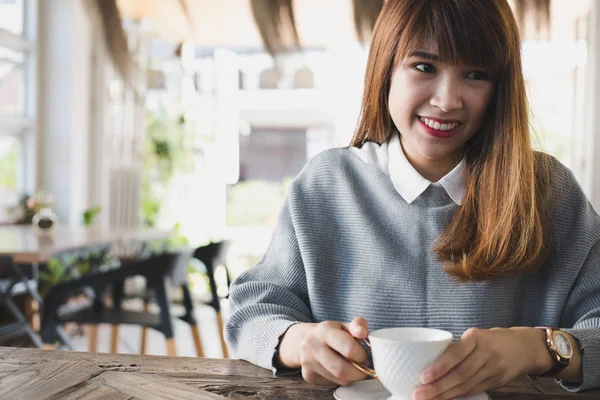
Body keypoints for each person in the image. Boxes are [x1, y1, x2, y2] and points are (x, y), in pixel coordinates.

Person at [225, 0, 600, 398]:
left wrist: (538, 349)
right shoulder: (326, 185)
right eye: (425, 67)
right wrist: (300, 342)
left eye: (476, 75)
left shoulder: (547, 192)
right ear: (385, 67)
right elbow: (252, 310)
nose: (447, 100)